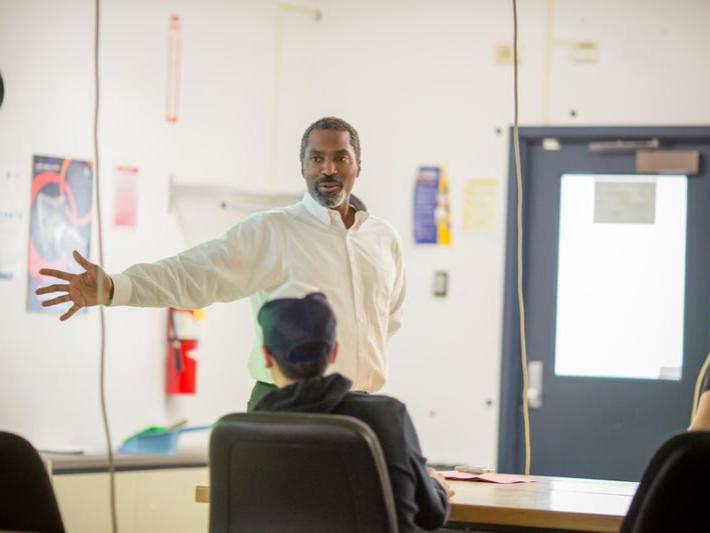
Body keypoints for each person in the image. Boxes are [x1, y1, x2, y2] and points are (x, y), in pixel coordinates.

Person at [35, 117, 406, 409]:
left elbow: (385, 322)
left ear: (358, 166)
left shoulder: (383, 239)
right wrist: (117, 287)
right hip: (287, 404)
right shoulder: (273, 231)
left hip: (362, 406)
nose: (328, 169)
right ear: (303, 166)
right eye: (316, 159)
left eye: (340, 158)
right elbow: (194, 274)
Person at [254, 281, 452, 532]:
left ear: (266, 356)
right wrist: (436, 486)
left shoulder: (241, 431)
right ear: (334, 351)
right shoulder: (385, 417)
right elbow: (431, 516)